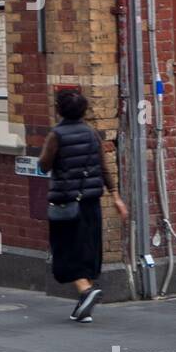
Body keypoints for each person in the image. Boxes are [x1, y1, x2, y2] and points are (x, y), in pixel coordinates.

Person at [38, 89, 128, 322]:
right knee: (87, 248)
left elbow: (44, 166)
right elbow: (104, 167)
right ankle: (83, 309)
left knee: (65, 250)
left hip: (66, 203)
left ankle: (86, 291)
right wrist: (116, 196)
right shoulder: (91, 134)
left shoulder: (56, 135)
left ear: (59, 110)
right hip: (91, 202)